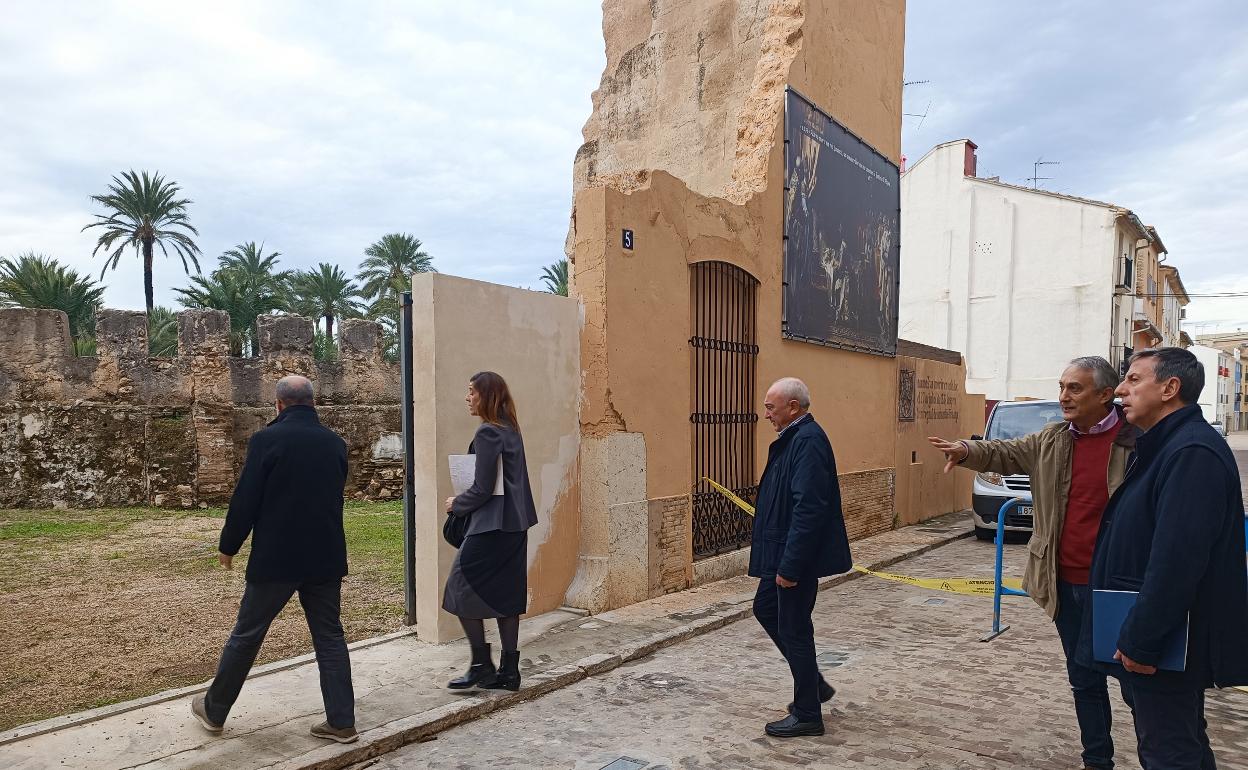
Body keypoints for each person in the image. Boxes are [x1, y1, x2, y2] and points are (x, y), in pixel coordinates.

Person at [929, 356, 1136, 770]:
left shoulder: (1138, 442)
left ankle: (1164, 752)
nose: (1063, 397)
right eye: (1061, 387)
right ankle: (1098, 760)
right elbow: (1004, 452)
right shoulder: (1053, 438)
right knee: (1083, 678)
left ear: (1104, 394)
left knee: (1136, 680)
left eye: (1074, 388)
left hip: (1117, 586)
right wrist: (967, 449)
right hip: (1064, 581)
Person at [1079, 348, 1248, 769]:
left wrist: (1142, 641)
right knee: (1176, 741)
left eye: (1134, 380)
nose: (1120, 390)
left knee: (1170, 751)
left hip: (1169, 643)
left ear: (1170, 388)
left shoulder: (1191, 452)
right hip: (1158, 637)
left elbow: (1178, 560)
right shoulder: (1164, 445)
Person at [191, 375, 357, 744]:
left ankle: (215, 710)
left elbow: (247, 497)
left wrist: (229, 545)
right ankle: (342, 721)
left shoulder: (267, 440)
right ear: (313, 403)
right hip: (325, 557)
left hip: (277, 559)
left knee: (247, 635)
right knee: (330, 638)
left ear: (278, 404)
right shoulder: (335, 443)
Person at [749, 377, 852, 738]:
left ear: (793, 407)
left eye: (770, 407)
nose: (765, 414)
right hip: (782, 551)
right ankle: (815, 686)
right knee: (766, 607)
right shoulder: (793, 438)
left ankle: (808, 712)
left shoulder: (807, 441)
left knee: (795, 629)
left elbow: (809, 508)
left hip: (794, 557)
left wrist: (791, 567)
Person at [442, 371, 538, 692]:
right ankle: (509, 672)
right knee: (507, 595)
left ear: (486, 395)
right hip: (515, 525)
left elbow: (482, 489)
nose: (467, 397)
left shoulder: (488, 433)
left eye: (471, 391)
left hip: (490, 527)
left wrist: (456, 503)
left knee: (458, 588)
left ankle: (482, 666)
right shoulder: (511, 429)